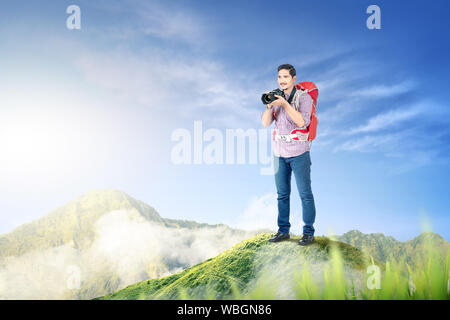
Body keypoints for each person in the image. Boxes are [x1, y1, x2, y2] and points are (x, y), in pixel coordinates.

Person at [261, 64, 316, 246]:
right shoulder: (277, 98)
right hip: (279, 153)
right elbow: (265, 123)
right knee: (282, 194)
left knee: (305, 194)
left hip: (299, 153)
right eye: (279, 77)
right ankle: (283, 231)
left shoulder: (304, 98)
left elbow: (302, 121)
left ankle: (308, 232)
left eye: (285, 77)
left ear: (294, 78)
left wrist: (284, 104)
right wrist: (270, 105)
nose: (282, 80)